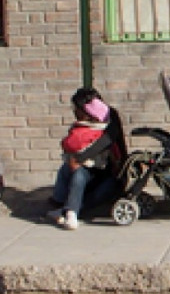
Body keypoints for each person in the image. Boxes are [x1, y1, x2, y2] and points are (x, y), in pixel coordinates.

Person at [47, 87, 126, 230]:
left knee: (99, 185)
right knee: (71, 171)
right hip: (88, 171)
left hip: (108, 172)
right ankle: (66, 208)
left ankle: (68, 211)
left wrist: (80, 158)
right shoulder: (83, 124)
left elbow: (106, 140)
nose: (75, 112)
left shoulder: (109, 117)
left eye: (77, 108)